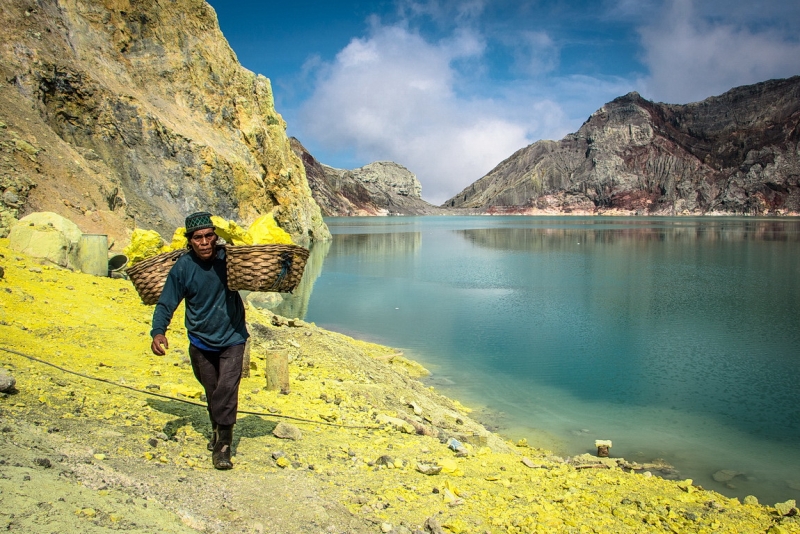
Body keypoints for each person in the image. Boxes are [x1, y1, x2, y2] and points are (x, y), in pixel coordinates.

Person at [150, 211, 249, 470]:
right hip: (201, 341)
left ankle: (223, 446)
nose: (204, 242)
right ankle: (217, 429)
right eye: (198, 238)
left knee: (226, 390)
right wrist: (158, 331)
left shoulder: (229, 260)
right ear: (190, 241)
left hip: (233, 337)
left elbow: (254, 259)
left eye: (208, 236)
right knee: (213, 390)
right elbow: (167, 302)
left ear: (216, 237)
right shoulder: (183, 268)